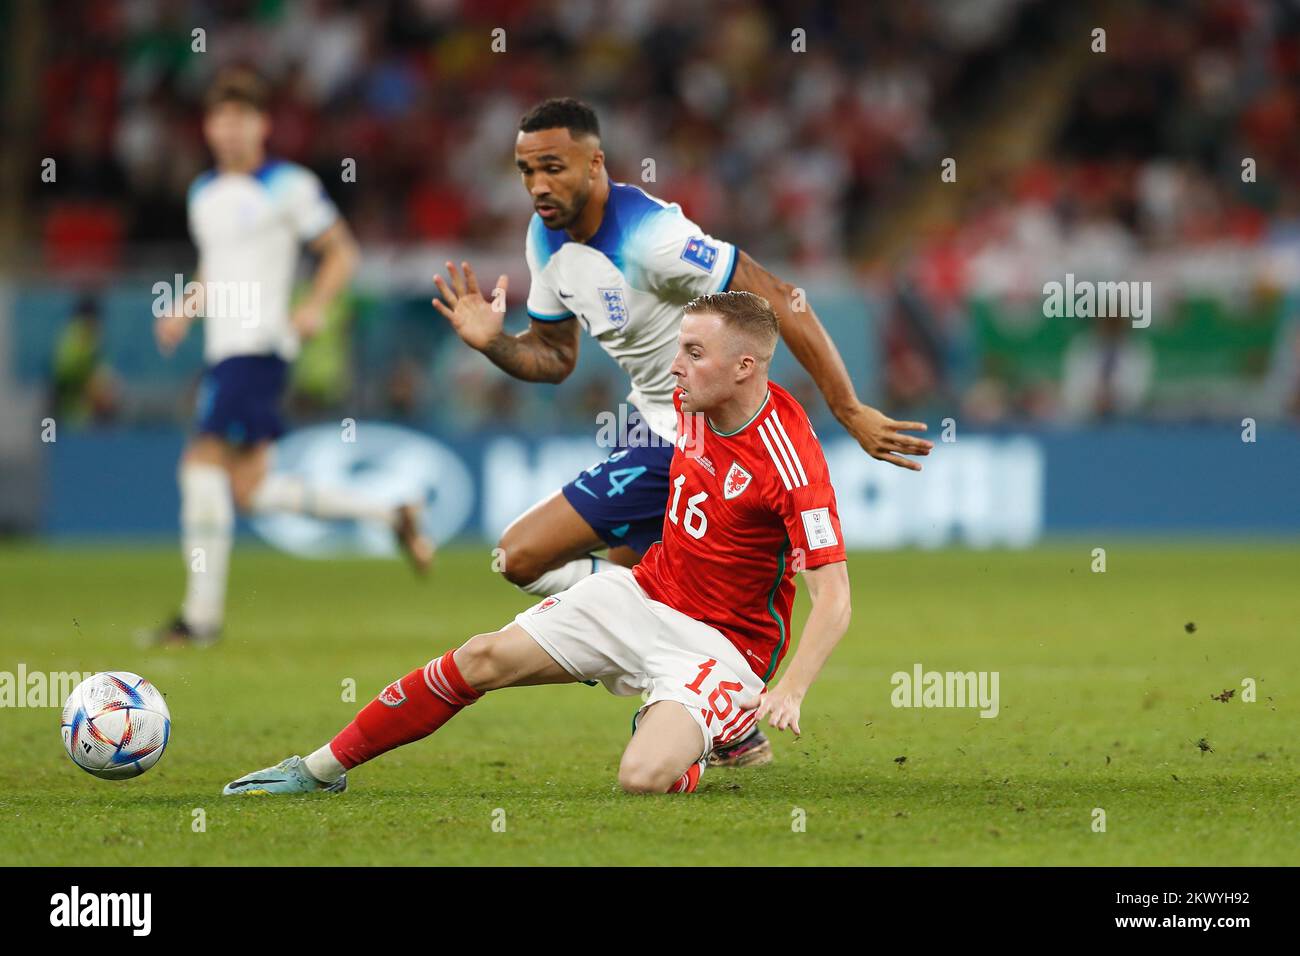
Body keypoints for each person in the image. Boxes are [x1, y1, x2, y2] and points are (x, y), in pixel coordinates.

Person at [431, 97, 925, 767]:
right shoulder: (543, 240)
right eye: (525, 171)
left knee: (527, 558)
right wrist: (494, 344)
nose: (538, 185)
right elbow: (553, 358)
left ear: (594, 163)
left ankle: (704, 705)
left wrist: (847, 407)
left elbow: (777, 296)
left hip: (688, 439)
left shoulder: (653, 237)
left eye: (553, 167)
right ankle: (718, 710)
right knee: (602, 591)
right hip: (648, 429)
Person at [222, 291, 851, 796]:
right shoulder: (686, 403)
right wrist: (495, 340)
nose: (674, 366)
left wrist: (789, 689)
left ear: (745, 366)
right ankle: (317, 770)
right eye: (678, 349)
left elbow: (834, 599)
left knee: (641, 778)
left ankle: (702, 737)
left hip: (724, 648)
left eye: (692, 352)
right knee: (481, 657)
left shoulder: (791, 460)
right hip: (642, 595)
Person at [151, 68, 432, 646]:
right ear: (208, 127)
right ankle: (389, 513)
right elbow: (215, 264)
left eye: (241, 119)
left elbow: (341, 253)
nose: (230, 131)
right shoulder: (203, 193)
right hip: (224, 348)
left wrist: (315, 306)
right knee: (251, 490)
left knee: (200, 465)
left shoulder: (289, 185)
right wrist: (186, 306)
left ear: (263, 125)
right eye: (220, 120)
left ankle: (199, 619)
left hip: (258, 347)